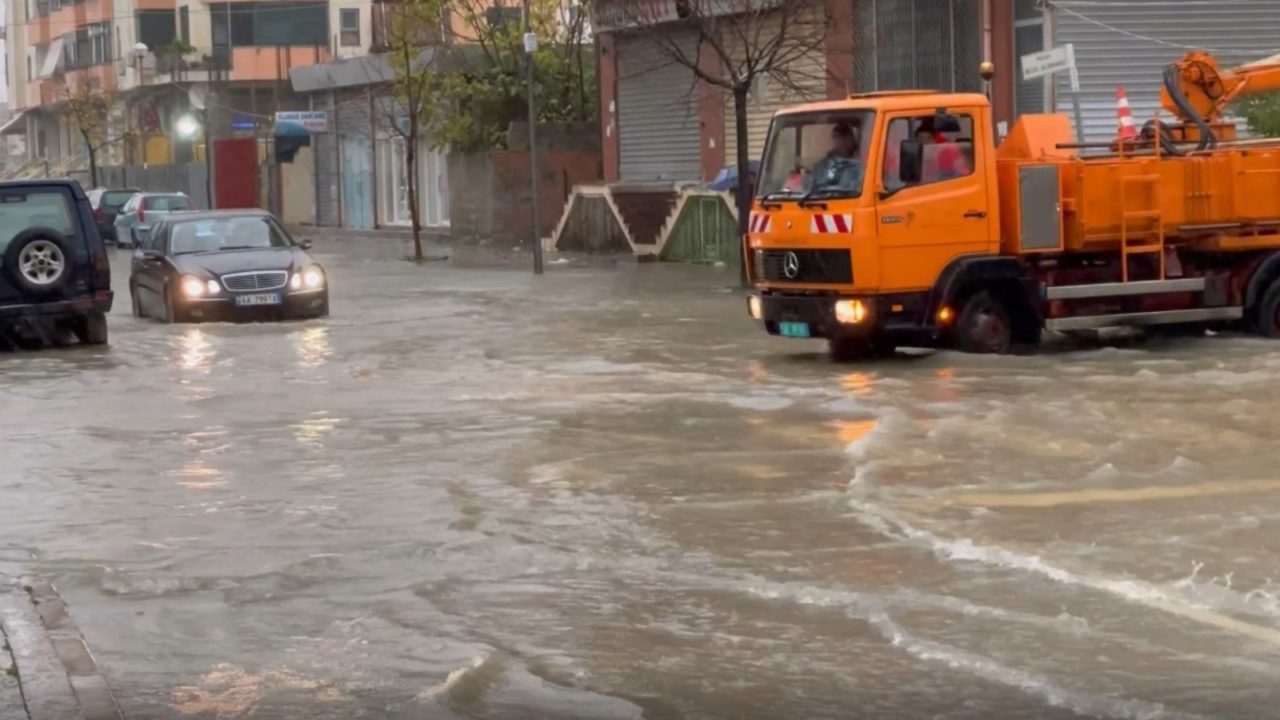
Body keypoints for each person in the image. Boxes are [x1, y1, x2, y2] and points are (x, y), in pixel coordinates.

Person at [807, 121, 863, 194]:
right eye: (836, 137)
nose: (840, 141)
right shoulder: (820, 167)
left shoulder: (859, 167)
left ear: (850, 139)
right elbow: (807, 191)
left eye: (844, 137)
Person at [916, 117, 970, 182]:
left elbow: (962, 174)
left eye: (928, 138)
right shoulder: (913, 156)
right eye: (921, 139)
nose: (924, 141)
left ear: (934, 140)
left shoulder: (946, 152)